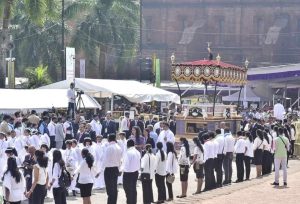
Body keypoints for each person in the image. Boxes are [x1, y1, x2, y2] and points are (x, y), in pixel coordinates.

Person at [102, 134, 122, 204]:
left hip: (109, 169)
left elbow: (104, 160)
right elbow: (120, 160)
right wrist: (119, 169)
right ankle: (113, 202)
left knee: (109, 188)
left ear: (108, 139)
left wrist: (100, 170)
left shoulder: (109, 147)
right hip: (116, 169)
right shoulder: (118, 147)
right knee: (114, 187)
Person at [121, 139, 141, 204]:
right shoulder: (137, 152)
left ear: (127, 145)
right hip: (135, 172)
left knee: (127, 189)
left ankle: (130, 202)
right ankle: (133, 202)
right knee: (133, 189)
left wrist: (121, 170)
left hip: (128, 173)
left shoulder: (128, 152)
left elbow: (126, 165)